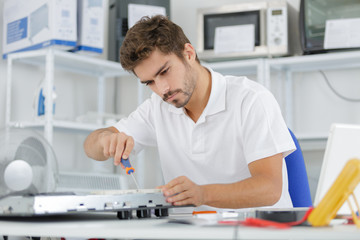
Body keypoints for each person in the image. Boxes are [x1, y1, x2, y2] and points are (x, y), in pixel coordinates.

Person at [84, 15, 296, 210]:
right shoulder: (158, 107)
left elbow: (270, 188)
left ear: (189, 53)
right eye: (150, 82)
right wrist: (106, 141)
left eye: (165, 72)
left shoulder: (250, 99)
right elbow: (90, 146)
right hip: (197, 231)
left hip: (258, 231)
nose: (162, 89)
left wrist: (202, 194)